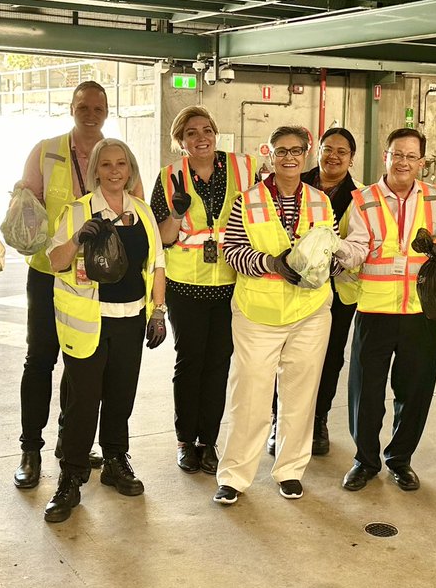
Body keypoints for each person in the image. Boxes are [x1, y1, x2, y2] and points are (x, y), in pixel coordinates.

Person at [13, 81, 140, 489]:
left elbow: (135, 215)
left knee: (81, 364)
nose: (90, 113)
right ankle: (30, 448)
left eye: (98, 107)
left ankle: (73, 445)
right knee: (40, 360)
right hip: (50, 274)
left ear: (107, 110)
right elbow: (25, 205)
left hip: (97, 284)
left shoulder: (115, 155)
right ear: (71, 107)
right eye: (83, 106)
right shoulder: (46, 150)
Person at [42, 138, 166, 523]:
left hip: (131, 319)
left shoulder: (142, 212)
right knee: (83, 401)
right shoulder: (78, 211)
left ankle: (115, 461)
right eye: (107, 164)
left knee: (120, 396)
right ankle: (70, 476)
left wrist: (158, 312)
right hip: (89, 322)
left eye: (122, 164)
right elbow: (56, 261)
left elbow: (158, 264)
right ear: (96, 169)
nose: (115, 171)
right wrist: (79, 236)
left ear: (130, 170)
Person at [213, 126, 336, 505]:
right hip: (258, 313)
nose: (289, 158)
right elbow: (230, 250)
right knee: (249, 395)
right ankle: (234, 476)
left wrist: (323, 267)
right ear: (269, 154)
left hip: (310, 311)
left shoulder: (320, 201)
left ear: (306, 154)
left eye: (297, 151)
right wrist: (270, 262)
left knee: (300, 395)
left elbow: (325, 247)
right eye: (282, 151)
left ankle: (290, 471)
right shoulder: (246, 201)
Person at [334, 128, 436, 492]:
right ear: (385, 156)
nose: (403, 162)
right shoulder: (364, 199)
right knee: (365, 392)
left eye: (411, 156)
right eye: (396, 154)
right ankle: (365, 460)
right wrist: (334, 250)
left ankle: (400, 460)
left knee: (415, 391)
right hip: (375, 309)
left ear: (422, 162)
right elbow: (357, 247)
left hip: (423, 312)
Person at [150, 106, 256, 475]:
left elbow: (261, 215)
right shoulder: (168, 177)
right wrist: (177, 214)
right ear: (181, 140)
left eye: (207, 129)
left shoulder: (244, 169)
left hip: (231, 281)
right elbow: (160, 238)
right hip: (185, 283)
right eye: (191, 132)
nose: (201, 137)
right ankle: (184, 440)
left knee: (219, 363)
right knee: (189, 360)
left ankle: (207, 442)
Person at [264, 127, 359, 457]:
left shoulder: (359, 197)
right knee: (285, 358)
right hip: (288, 286)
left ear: (351, 158)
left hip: (336, 289)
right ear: (315, 150)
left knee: (330, 358)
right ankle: (280, 422)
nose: (333, 156)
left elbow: (356, 244)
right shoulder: (292, 181)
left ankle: (318, 419)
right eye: (328, 148)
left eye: (342, 152)